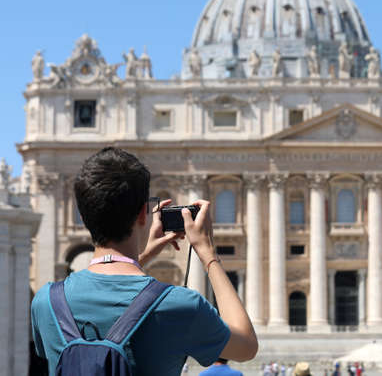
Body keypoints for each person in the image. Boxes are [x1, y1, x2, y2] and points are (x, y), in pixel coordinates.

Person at [31, 147, 258, 375]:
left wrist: (139, 259)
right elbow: (246, 345)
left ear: (82, 214)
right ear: (142, 214)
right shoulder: (180, 305)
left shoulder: (46, 302)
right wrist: (208, 255)